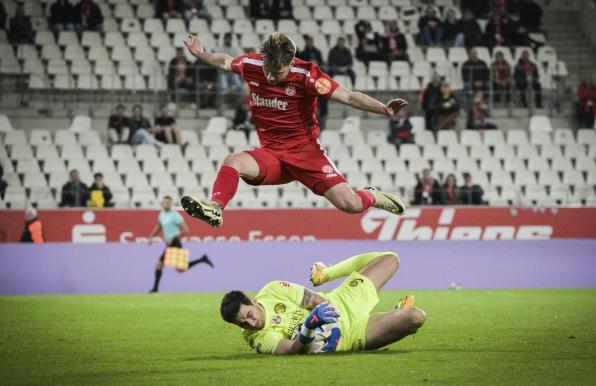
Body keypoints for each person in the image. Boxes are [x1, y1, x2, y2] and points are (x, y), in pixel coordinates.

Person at [181, 32, 408, 228]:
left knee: (351, 205)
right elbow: (225, 62)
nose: (270, 76)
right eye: (268, 68)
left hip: (306, 154)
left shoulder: (308, 76)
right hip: (272, 154)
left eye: (277, 73)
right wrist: (201, 53)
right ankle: (215, 208)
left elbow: (349, 97)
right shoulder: (252, 64)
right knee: (233, 161)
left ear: (291, 63)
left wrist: (384, 109)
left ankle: (373, 196)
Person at [220, 251, 425, 354]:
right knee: (415, 317)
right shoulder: (257, 338)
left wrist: (322, 311)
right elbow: (294, 351)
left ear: (254, 302)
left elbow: (316, 300)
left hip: (341, 303)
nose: (251, 324)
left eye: (249, 316)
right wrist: (308, 328)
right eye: (242, 324)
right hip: (348, 338)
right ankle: (398, 314)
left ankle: (326, 273)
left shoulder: (273, 290)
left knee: (390, 259)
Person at [148, 196, 213, 293]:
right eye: (165, 202)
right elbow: (159, 226)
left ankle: (155, 289)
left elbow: (185, 229)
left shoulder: (175, 215)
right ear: (162, 204)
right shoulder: (161, 214)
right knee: (180, 269)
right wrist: (151, 236)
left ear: (171, 204)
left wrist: (173, 237)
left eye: (168, 203)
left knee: (159, 264)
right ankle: (202, 259)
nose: (166, 204)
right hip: (169, 243)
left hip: (175, 242)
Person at [217, 33, 244, 105]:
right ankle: (221, 106)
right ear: (224, 39)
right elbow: (218, 61)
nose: (228, 40)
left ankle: (239, 105)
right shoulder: (220, 49)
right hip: (223, 72)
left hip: (232, 72)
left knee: (239, 87)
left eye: (229, 38)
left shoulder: (234, 49)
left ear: (231, 39)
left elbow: (236, 61)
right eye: (226, 38)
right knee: (224, 88)